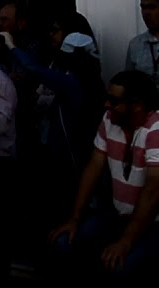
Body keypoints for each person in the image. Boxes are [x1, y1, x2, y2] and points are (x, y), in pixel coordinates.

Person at [50, 70, 159, 285]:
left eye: (114, 101)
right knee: (64, 243)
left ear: (137, 105)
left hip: (152, 224)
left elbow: (154, 188)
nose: (107, 105)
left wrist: (126, 241)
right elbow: (94, 167)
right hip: (118, 214)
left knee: (120, 266)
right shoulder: (110, 120)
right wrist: (75, 219)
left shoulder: (156, 129)